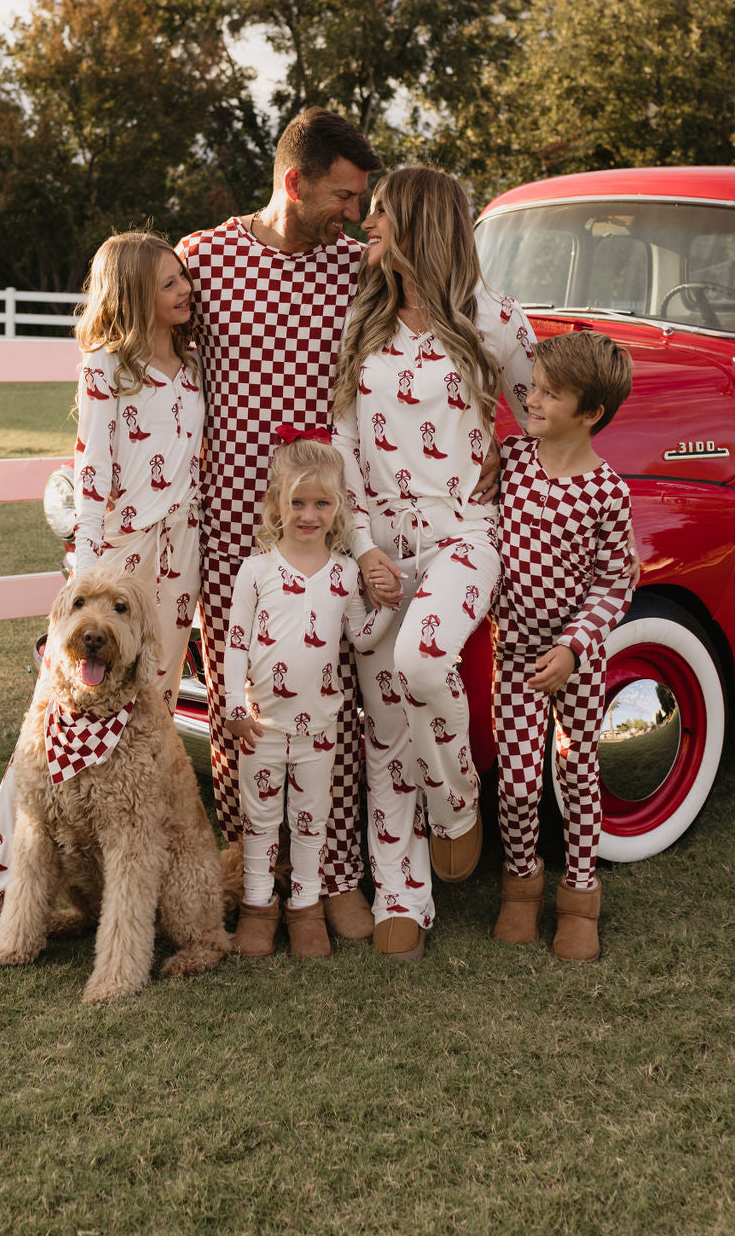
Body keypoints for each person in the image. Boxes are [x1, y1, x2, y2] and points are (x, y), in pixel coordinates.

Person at [0, 232, 204, 957]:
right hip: (119, 564)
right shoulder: (106, 370)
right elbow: (91, 483)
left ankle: (134, 891)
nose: (186, 289)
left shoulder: (192, 367)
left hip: (180, 568)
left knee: (146, 723)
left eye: (185, 278)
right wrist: (84, 590)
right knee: (51, 731)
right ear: (136, 290)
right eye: (171, 281)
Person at [176, 108, 386, 942]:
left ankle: (332, 878)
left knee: (330, 704)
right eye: (342, 194)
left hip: (325, 529)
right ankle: (252, 874)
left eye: (361, 198)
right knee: (245, 709)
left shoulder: (354, 267)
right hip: (233, 525)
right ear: (293, 180)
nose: (353, 212)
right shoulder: (205, 258)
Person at [331, 164, 536, 961]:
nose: (366, 225)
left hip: (464, 538)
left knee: (421, 662)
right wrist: (365, 549)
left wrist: (509, 459)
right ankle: (403, 897)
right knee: (384, 729)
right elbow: (345, 445)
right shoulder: (363, 321)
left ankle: (458, 807)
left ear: (419, 223)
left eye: (380, 214)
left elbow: (548, 414)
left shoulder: (495, 321)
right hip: (382, 544)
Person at [223, 429, 395, 959]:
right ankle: (257, 906)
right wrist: (233, 705)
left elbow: (361, 638)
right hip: (262, 727)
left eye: (321, 503)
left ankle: (305, 907)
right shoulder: (256, 571)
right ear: (277, 503)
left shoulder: (344, 575)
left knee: (309, 819)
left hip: (320, 726)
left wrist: (388, 604)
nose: (309, 514)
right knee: (260, 819)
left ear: (338, 507)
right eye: (297, 502)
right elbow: (233, 644)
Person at [492, 329, 635, 963]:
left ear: (591, 413)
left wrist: (576, 647)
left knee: (577, 772)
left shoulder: (608, 493)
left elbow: (615, 583)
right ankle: (522, 888)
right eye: (536, 387)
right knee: (519, 783)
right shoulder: (513, 460)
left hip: (574, 660)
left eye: (552, 394)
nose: (534, 399)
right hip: (515, 655)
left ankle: (580, 896)